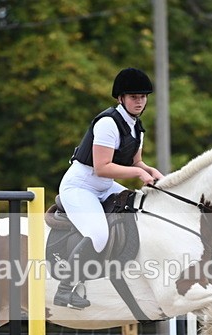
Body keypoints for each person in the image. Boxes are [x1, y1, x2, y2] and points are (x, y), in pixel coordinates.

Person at [54, 67, 165, 309]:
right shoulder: (107, 123)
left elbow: (136, 162)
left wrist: (152, 172)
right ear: (120, 98)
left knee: (141, 208)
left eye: (143, 97)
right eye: (134, 97)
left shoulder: (136, 126)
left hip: (104, 187)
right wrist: (138, 173)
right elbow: (102, 167)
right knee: (98, 233)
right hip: (81, 186)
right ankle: (65, 289)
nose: (139, 101)